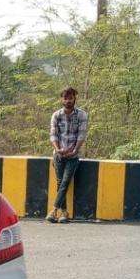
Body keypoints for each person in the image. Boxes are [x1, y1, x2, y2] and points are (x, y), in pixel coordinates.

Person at [48, 86, 88, 224]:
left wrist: (75, 150)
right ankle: (64, 213)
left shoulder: (82, 115)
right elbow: (53, 135)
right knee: (60, 183)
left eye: (70, 98)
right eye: (65, 98)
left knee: (65, 182)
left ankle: (53, 210)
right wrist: (58, 149)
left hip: (73, 156)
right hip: (58, 155)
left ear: (74, 99)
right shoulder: (56, 115)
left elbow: (81, 134)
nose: (68, 101)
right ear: (61, 99)